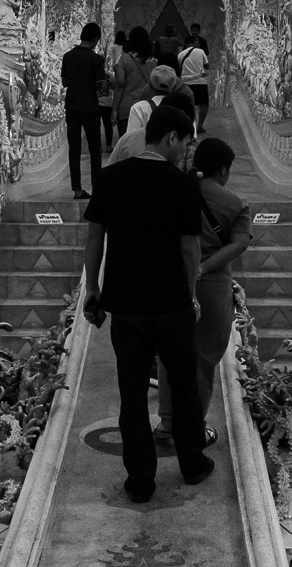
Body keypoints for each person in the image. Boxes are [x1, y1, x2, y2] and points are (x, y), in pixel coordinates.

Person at [82, 104, 213, 500]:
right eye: (186, 142)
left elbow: (94, 238)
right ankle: (192, 465)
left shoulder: (109, 179)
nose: (187, 150)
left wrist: (93, 288)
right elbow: (190, 249)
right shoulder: (183, 185)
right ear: (171, 138)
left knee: (133, 394)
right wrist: (190, 295)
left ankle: (140, 481)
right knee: (184, 387)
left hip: (127, 307)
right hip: (172, 305)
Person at [157, 137, 251, 446]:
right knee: (203, 357)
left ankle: (168, 424)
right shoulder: (235, 202)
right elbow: (240, 243)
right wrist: (206, 267)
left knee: (170, 355)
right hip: (213, 287)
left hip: (173, 282)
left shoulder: (175, 191)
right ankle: (194, 426)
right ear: (223, 169)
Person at [60, 22, 108, 199]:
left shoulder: (67, 56)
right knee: (95, 148)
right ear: (96, 39)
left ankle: (77, 189)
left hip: (71, 106)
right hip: (90, 107)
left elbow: (64, 82)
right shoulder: (96, 59)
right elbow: (100, 86)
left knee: (74, 147)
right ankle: (97, 188)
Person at [112, 27, 154, 134]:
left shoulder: (125, 59)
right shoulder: (154, 61)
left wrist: (114, 110)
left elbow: (120, 84)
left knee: (127, 142)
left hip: (127, 106)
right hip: (147, 106)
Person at [181, 25, 210, 135]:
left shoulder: (181, 54)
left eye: (196, 30)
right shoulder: (201, 52)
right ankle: (199, 126)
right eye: (193, 30)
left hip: (186, 81)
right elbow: (206, 65)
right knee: (203, 103)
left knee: (189, 104)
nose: (194, 32)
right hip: (200, 80)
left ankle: (190, 125)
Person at [100, 29, 127, 146]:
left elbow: (111, 58)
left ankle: (99, 145)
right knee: (107, 125)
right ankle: (109, 145)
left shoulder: (114, 47)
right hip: (107, 103)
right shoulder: (108, 75)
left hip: (97, 103)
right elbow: (113, 86)